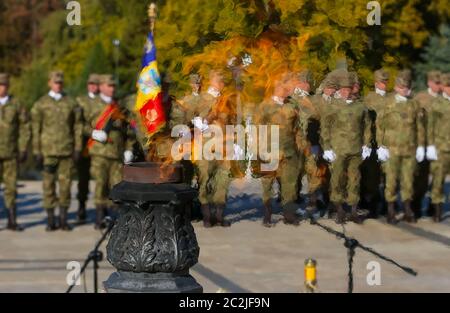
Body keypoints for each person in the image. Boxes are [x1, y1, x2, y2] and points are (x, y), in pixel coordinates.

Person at [82, 74, 136, 229]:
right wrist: (93, 133)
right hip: (99, 152)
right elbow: (80, 125)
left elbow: (129, 132)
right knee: (101, 184)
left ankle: (115, 219)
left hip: (117, 154)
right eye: (109, 86)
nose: (112, 89)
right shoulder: (92, 105)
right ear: (101, 87)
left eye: (113, 86)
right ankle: (100, 217)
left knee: (117, 186)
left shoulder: (120, 107)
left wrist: (129, 150)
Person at [31, 71, 82, 231]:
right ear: (49, 83)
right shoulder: (41, 104)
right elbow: (35, 128)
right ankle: (51, 219)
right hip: (48, 151)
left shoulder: (71, 103)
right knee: (48, 186)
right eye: (55, 82)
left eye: (60, 82)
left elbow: (77, 126)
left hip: (66, 150)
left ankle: (63, 219)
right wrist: (36, 150)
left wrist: (78, 147)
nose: (58, 85)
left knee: (65, 186)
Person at [320, 71, 372, 224]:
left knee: (355, 179)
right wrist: (327, 147)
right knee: (337, 180)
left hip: (355, 149)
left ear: (351, 89)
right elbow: (325, 128)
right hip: (338, 150)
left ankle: (354, 210)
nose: (344, 91)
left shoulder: (360, 107)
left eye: (347, 88)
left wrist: (366, 145)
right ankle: (339, 209)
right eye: (342, 89)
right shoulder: (332, 106)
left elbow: (367, 126)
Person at [376, 70, 425, 224]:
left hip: (410, 148)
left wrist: (421, 146)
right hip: (392, 148)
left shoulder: (414, 104)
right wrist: (381, 145)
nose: (405, 90)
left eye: (407, 87)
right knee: (391, 180)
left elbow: (420, 127)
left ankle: (407, 208)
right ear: (396, 87)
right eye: (402, 87)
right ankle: (390, 209)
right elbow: (380, 126)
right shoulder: (387, 103)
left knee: (408, 180)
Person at [186, 70, 233, 228]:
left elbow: (231, 121)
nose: (221, 83)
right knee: (205, 180)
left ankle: (219, 216)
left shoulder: (226, 100)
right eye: (218, 80)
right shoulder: (202, 98)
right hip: (205, 146)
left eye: (223, 81)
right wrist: (198, 122)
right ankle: (207, 217)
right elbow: (188, 115)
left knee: (223, 180)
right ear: (211, 81)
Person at [258, 74, 302, 225]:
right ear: (278, 87)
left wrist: (299, 146)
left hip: (289, 151)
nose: (290, 90)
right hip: (270, 150)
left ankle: (288, 214)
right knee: (268, 184)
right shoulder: (265, 106)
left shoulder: (292, 105)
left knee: (290, 183)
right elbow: (258, 129)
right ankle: (267, 213)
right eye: (287, 87)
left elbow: (297, 128)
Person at [288, 70, 323, 214]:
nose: (307, 85)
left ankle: (313, 199)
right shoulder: (290, 100)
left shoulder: (314, 100)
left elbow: (319, 120)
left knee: (313, 171)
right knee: (295, 172)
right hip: (294, 143)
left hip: (310, 142)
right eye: (304, 82)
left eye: (308, 82)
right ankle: (292, 199)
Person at [0, 73, 30, 231]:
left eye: (3, 85)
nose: (1, 88)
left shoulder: (16, 104)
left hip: (10, 152)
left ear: (7, 87)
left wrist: (23, 147)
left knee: (11, 187)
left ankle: (12, 219)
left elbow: (25, 127)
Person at [361, 69, 390, 217]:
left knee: (388, 176)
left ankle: (387, 205)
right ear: (375, 83)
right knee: (372, 177)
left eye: (385, 82)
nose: (383, 84)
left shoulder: (392, 98)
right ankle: (372, 204)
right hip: (373, 143)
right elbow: (366, 121)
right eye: (380, 82)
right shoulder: (369, 99)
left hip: (388, 143)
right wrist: (365, 143)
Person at [412, 71, 442, 218]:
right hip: (423, 144)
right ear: (429, 83)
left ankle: (433, 207)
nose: (439, 86)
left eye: (440, 83)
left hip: (440, 144)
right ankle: (415, 206)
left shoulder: (444, 98)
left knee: (438, 178)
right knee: (421, 179)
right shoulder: (420, 98)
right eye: (436, 83)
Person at [75, 73, 100, 224]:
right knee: (83, 178)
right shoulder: (80, 101)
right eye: (91, 83)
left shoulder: (104, 101)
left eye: (96, 84)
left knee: (101, 179)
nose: (93, 86)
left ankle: (101, 209)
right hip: (85, 145)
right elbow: (77, 124)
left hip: (101, 147)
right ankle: (81, 206)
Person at [427, 72, 450, 223]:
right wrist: (430, 145)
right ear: (442, 87)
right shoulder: (437, 104)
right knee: (438, 179)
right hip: (441, 146)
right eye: (448, 86)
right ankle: (437, 208)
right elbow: (430, 126)